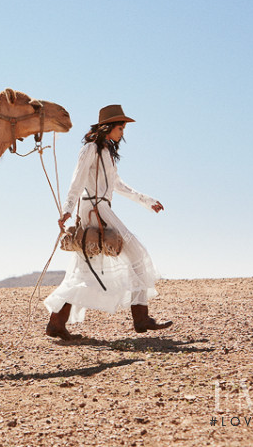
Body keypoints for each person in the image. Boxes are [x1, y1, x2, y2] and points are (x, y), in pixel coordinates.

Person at [44, 104, 172, 340]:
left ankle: (57, 323)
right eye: (120, 127)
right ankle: (140, 318)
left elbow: (118, 185)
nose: (123, 131)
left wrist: (147, 200)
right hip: (93, 209)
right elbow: (76, 181)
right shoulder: (90, 149)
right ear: (108, 127)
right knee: (136, 253)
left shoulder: (107, 153)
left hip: (102, 207)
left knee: (84, 271)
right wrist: (67, 210)